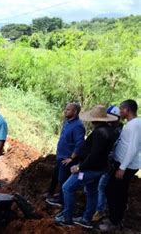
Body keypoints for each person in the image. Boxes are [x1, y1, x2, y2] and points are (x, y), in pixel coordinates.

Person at [54, 105, 117, 229]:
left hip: (90, 169)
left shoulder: (100, 133)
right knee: (92, 192)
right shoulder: (108, 130)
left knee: (67, 188)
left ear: (95, 119)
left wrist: (80, 167)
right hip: (99, 169)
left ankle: (67, 218)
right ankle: (86, 219)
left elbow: (94, 155)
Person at [100, 99, 140, 232]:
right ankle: (115, 218)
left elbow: (133, 148)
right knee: (116, 191)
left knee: (114, 192)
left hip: (126, 166)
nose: (120, 111)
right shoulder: (131, 124)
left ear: (127, 110)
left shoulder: (135, 124)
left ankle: (114, 222)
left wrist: (122, 168)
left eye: (121, 109)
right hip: (122, 163)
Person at [46, 103, 85, 207]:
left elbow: (80, 144)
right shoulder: (67, 122)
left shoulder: (78, 126)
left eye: (68, 109)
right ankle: (57, 196)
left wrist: (71, 158)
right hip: (61, 156)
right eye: (66, 109)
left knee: (64, 180)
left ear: (75, 112)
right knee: (58, 177)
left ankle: (61, 202)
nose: (65, 111)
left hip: (67, 159)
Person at [92, 105, 122, 222]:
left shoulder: (119, 131)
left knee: (101, 186)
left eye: (112, 117)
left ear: (118, 118)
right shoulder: (108, 128)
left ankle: (100, 211)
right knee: (96, 186)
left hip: (110, 165)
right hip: (102, 163)